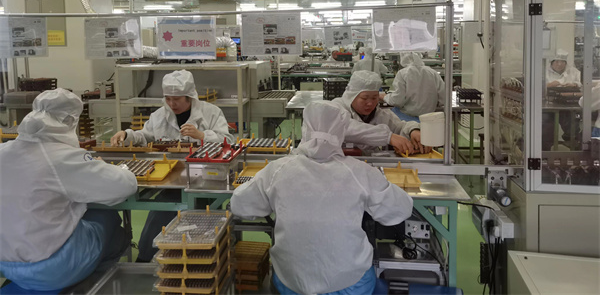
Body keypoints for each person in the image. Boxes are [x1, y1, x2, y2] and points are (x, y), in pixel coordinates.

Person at [231, 101, 413, 295]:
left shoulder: (277, 170)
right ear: (342, 131)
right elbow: (401, 209)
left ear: (305, 128)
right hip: (349, 282)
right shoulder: (360, 172)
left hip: (291, 281)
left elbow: (239, 204)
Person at [0, 89, 137, 291]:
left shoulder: (3, 151)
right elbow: (125, 186)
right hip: (53, 269)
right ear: (70, 121)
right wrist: (114, 168)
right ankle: (98, 282)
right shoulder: (62, 156)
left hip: (7, 265)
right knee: (107, 218)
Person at [110, 69, 234, 262]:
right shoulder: (160, 116)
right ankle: (146, 258)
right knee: (161, 213)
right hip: (171, 177)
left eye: (176, 99)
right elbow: (145, 136)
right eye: (168, 98)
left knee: (202, 217)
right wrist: (127, 135)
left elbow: (228, 141)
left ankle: (201, 257)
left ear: (189, 96)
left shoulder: (211, 113)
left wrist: (202, 135)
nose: (171, 103)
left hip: (206, 178)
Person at [333, 70, 428, 155]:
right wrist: (388, 137)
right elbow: (348, 127)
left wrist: (413, 130)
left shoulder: (380, 114)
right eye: (364, 98)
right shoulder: (336, 108)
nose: (370, 103)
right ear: (351, 96)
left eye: (374, 97)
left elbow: (400, 127)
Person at [380, 51, 445, 122]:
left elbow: (397, 100)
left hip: (407, 117)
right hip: (428, 118)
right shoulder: (433, 73)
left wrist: (385, 97)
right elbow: (443, 98)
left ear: (403, 58)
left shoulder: (402, 73)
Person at [543, 50, 582, 149]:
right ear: (551, 62)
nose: (559, 64)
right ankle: (546, 148)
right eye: (557, 61)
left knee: (571, 123)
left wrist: (574, 84)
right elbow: (536, 86)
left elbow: (581, 83)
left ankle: (573, 143)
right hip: (547, 104)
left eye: (562, 62)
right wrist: (550, 85)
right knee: (547, 123)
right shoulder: (544, 72)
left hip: (567, 104)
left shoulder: (573, 71)